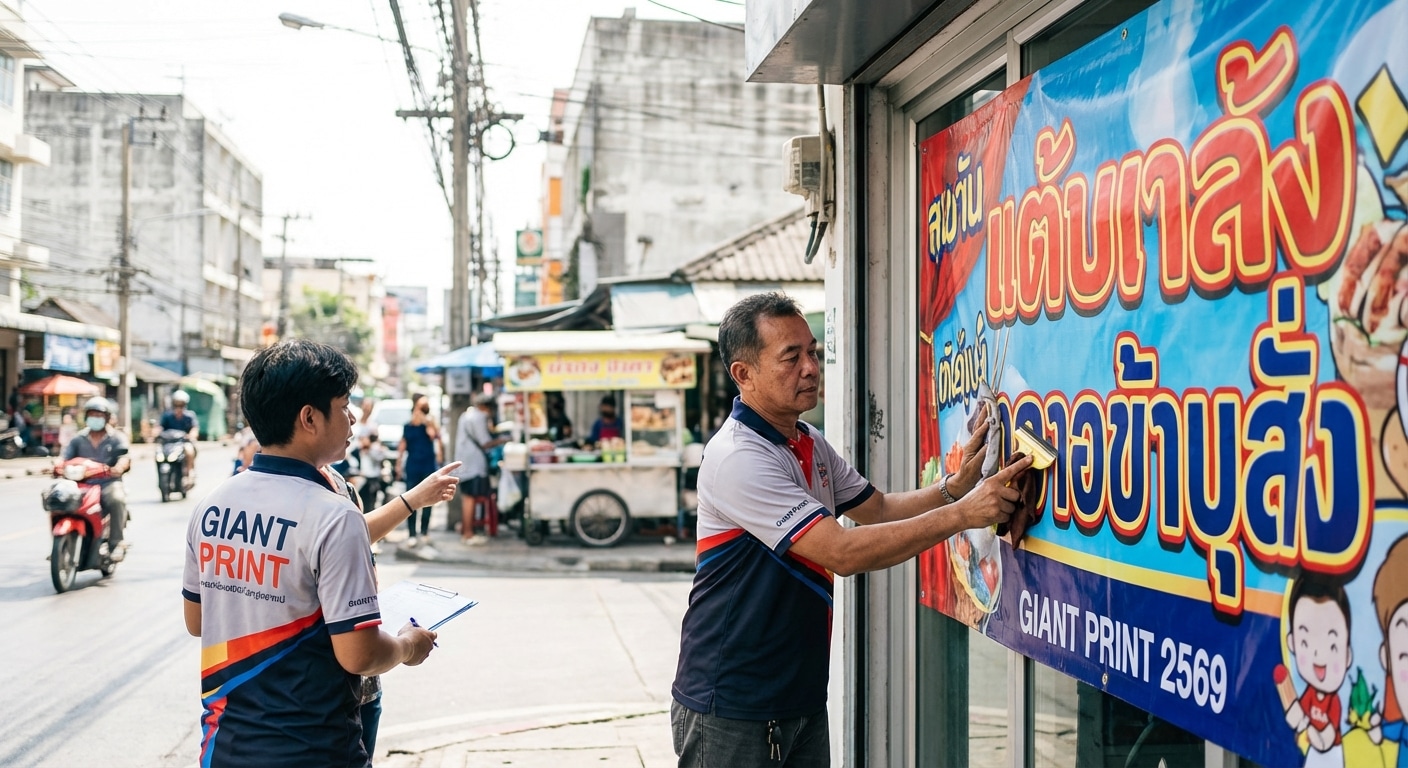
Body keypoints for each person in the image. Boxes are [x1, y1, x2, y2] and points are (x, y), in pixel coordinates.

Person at [670, 293, 1029, 767]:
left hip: (798, 696)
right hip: (732, 702)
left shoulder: (808, 440)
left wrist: (954, 489)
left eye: (813, 352)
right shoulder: (740, 458)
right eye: (790, 357)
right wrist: (963, 515)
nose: (810, 367)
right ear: (743, 374)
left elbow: (876, 508)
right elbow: (841, 552)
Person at [181, 339, 438, 768]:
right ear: (309, 418)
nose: (352, 416)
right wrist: (409, 645)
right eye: (344, 404)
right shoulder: (335, 516)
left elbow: (197, 621)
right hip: (312, 749)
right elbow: (359, 655)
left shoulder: (211, 506)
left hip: (224, 745)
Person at [1283, 574, 1353, 768]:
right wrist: (1295, 715)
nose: (1318, 654)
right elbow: (1296, 720)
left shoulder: (1334, 702)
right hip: (1313, 754)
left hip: (1334, 756)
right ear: (1292, 643)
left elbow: (1325, 742)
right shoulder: (1310, 693)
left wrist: (1305, 725)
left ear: (1347, 655)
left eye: (1332, 646)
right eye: (1305, 642)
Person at [60, 396, 132, 559]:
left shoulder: (116, 437)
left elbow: (124, 456)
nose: (95, 418)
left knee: (117, 499)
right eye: (92, 414)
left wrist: (119, 467)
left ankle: (116, 543)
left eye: (99, 415)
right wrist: (56, 465)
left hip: (107, 483)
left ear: (106, 417)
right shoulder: (78, 439)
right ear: (86, 417)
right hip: (82, 485)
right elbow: (65, 458)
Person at [454, 393, 509, 543]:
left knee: (467, 497)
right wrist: (503, 440)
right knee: (470, 498)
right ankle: (468, 533)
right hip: (474, 464)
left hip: (463, 463)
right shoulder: (480, 417)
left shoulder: (465, 415)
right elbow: (485, 442)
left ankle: (466, 530)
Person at [396, 395, 442, 548]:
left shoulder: (430, 423)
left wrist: (426, 420)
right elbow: (402, 446)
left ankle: (424, 532)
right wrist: (398, 464)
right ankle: (412, 534)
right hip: (413, 465)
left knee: (429, 498)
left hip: (428, 465)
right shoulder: (408, 426)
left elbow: (433, 435)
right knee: (411, 498)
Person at [160, 390, 199, 480]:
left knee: (189, 450)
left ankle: (189, 472)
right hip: (169, 443)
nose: (179, 408)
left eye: (181, 405)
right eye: (176, 405)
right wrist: (156, 433)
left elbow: (194, 428)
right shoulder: (167, 416)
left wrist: (191, 435)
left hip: (183, 443)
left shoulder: (190, 416)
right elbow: (160, 427)